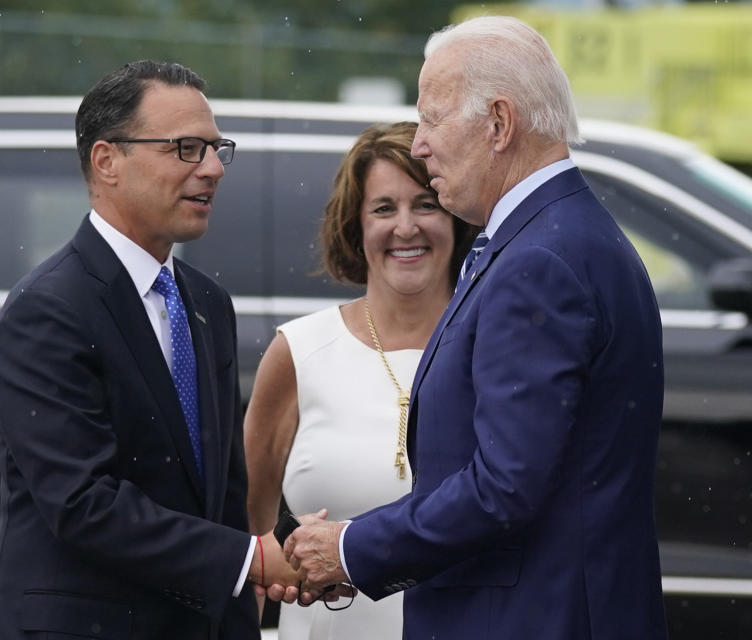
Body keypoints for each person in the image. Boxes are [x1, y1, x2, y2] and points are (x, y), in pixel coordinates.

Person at [280, 16, 668, 640]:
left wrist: (353, 548)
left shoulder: (540, 258)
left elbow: (505, 486)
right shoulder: (557, 235)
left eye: (432, 118)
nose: (421, 144)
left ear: (498, 123)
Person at [0, 60, 297, 640]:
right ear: (107, 161)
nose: (213, 169)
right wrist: (248, 560)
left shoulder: (206, 303)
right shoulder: (48, 308)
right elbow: (82, 503)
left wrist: (276, 563)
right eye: (186, 148)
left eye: (216, 148)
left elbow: (221, 492)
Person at [244, 121, 475, 639]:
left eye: (426, 204)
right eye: (384, 208)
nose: (407, 227)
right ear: (356, 225)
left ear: (458, 220)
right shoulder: (298, 353)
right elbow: (248, 547)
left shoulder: (491, 352)